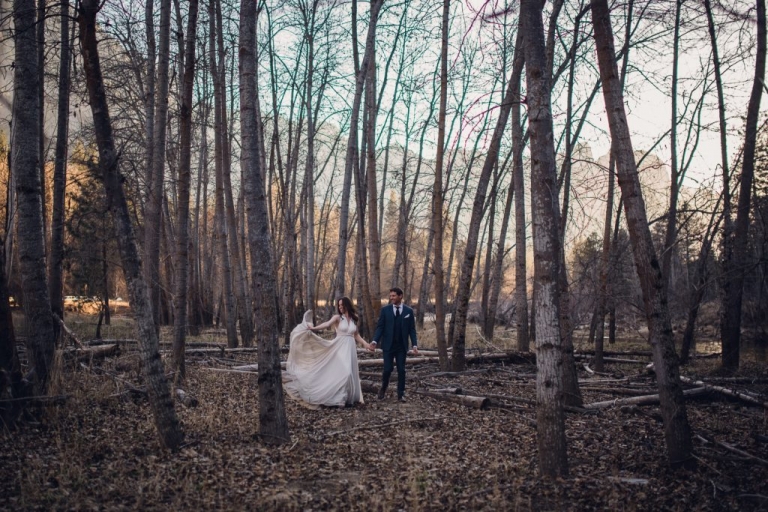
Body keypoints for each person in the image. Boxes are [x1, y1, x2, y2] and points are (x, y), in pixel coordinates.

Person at [283, 298, 373, 407]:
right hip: (339, 346)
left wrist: (366, 345)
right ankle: (340, 398)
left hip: (350, 348)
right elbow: (326, 324)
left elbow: (356, 335)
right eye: (339, 305)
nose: (340, 307)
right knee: (345, 372)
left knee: (350, 372)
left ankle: (347, 397)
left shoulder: (355, 318)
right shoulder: (337, 318)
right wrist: (314, 328)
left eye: (342, 305)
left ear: (347, 305)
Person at [370, 287, 419, 402]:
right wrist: (374, 341)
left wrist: (414, 345)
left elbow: (412, 329)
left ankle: (401, 394)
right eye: (390, 296)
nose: (391, 298)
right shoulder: (385, 310)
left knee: (401, 370)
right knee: (387, 369)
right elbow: (380, 327)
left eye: (393, 296)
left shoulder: (408, 311)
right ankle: (383, 388)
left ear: (400, 296)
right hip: (388, 345)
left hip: (401, 346)